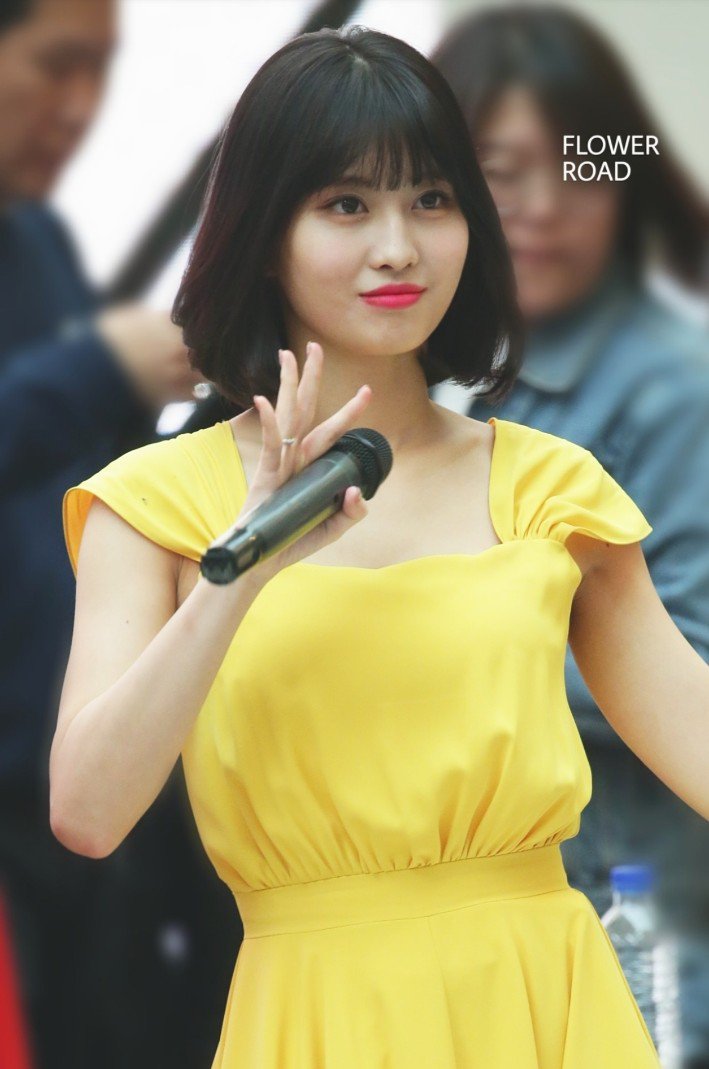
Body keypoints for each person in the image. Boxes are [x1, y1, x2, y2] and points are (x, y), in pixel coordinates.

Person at [53, 24, 709, 1067]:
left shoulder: (551, 488)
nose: (398, 246)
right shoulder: (152, 503)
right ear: (265, 231)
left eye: (431, 200)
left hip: (547, 1006)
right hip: (316, 1016)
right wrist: (242, 567)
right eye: (346, 204)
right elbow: (87, 813)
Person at [428, 7, 709, 1064]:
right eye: (502, 173)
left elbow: (684, 652)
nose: (543, 207)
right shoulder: (435, 364)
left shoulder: (671, 386)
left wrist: (411, 663)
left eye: (579, 168)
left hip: (626, 893)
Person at [0, 1, 219, 1066]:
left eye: (101, 72)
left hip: (87, 767)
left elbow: (91, 484)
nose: (81, 107)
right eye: (57, 65)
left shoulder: (34, 240)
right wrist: (97, 368)